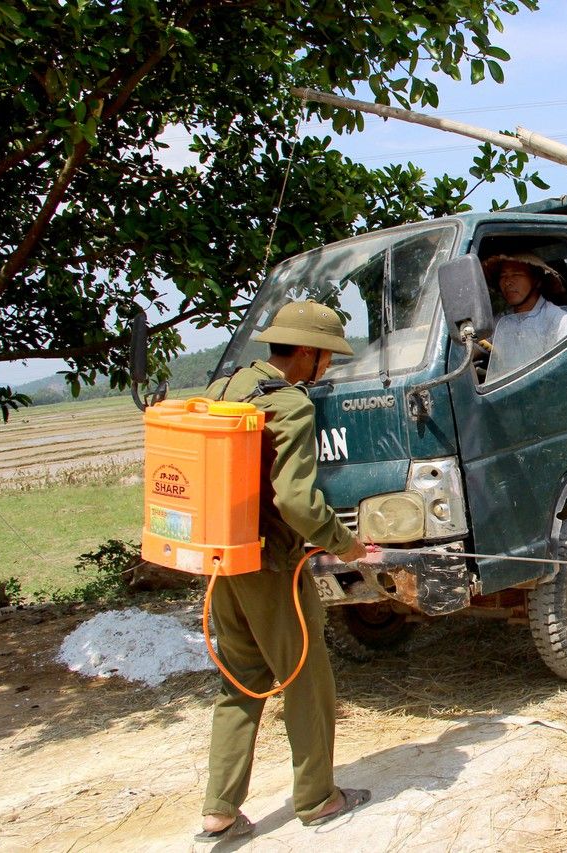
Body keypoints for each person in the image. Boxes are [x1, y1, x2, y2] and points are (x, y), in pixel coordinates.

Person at [197, 301, 371, 841]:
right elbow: (295, 500)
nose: (328, 368)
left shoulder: (227, 387)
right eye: (326, 357)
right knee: (304, 678)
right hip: (273, 564)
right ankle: (318, 799)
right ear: (308, 353)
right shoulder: (291, 404)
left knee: (241, 679)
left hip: (223, 557)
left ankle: (219, 811)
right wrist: (346, 545)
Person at [482, 252, 567, 380]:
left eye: (516, 274)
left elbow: (564, 374)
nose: (508, 282)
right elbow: (478, 345)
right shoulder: (501, 320)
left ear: (536, 281)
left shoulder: (557, 320)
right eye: (503, 276)